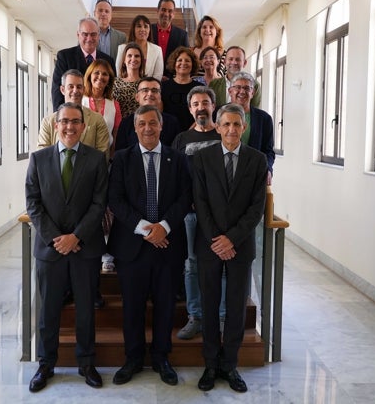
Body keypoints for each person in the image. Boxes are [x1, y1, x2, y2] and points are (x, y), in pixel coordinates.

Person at [25, 102, 108, 392]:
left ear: (83, 126)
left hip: (84, 249)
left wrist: (76, 237)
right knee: (48, 311)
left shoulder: (97, 160)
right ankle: (46, 363)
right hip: (50, 250)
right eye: (65, 122)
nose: (70, 127)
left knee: (85, 309)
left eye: (76, 122)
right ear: (56, 124)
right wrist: (56, 238)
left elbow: (99, 204)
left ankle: (86, 363)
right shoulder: (39, 159)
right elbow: (33, 204)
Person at [108, 104, 192, 387]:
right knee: (132, 305)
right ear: (134, 128)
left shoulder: (177, 159)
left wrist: (163, 227)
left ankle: (161, 357)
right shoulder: (121, 159)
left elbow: (185, 197)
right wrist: (147, 229)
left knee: (166, 304)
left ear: (161, 126)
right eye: (141, 123)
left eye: (152, 123)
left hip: (168, 245)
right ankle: (132, 358)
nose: (147, 128)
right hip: (132, 246)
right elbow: (115, 199)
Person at [192, 103, 268, 394]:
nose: (232, 130)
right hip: (210, 243)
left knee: (236, 308)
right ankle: (211, 364)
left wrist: (231, 239)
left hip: (240, 246)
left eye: (237, 125)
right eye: (226, 124)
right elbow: (200, 201)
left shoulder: (257, 160)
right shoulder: (202, 158)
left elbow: (256, 207)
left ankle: (230, 365)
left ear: (244, 127)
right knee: (210, 307)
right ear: (218, 126)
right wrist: (217, 239)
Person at [171, 86, 225, 340]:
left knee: (220, 264)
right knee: (191, 264)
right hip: (190, 215)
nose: (201, 107)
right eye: (195, 103)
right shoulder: (181, 139)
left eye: (205, 102)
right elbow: (175, 177)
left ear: (213, 106)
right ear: (190, 109)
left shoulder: (224, 135)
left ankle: (222, 317)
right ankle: (196, 316)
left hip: (219, 214)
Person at [38, 69, 110, 160]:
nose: (75, 91)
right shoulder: (48, 122)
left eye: (79, 87)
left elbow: (102, 156)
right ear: (62, 89)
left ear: (83, 89)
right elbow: (42, 157)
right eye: (71, 87)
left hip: (88, 173)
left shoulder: (97, 120)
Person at [51, 18, 115, 110]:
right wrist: (59, 116)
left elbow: (112, 90)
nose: (89, 39)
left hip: (101, 114)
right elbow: (57, 90)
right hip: (72, 114)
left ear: (99, 35)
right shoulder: (65, 56)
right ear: (78, 35)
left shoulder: (108, 60)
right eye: (85, 34)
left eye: (93, 34)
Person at [227, 71, 275, 184]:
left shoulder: (264, 119)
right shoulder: (218, 114)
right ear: (230, 91)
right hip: (224, 174)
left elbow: (268, 151)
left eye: (247, 88)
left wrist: (268, 169)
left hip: (253, 175)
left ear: (252, 92)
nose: (242, 91)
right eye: (237, 87)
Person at [115, 77, 180, 151]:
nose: (150, 94)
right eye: (145, 90)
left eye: (154, 91)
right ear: (137, 97)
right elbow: (120, 154)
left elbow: (176, 154)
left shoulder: (172, 122)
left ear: (160, 96)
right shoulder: (126, 123)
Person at [81, 59, 121, 157]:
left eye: (104, 74)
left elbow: (115, 134)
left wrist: (112, 156)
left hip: (105, 157)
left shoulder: (114, 105)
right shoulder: (80, 101)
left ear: (109, 80)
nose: (100, 77)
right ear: (89, 76)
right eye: (96, 73)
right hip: (80, 156)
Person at [161, 46, 203, 131]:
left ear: (193, 64)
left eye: (187, 61)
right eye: (179, 60)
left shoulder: (200, 88)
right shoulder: (163, 86)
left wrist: (188, 133)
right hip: (167, 132)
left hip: (193, 133)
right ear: (174, 63)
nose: (183, 63)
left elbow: (202, 113)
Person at [115, 15, 164, 80]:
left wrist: (145, 88)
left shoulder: (157, 50)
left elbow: (158, 76)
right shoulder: (122, 48)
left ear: (149, 30)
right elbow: (119, 74)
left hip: (149, 88)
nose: (142, 29)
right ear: (133, 29)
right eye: (139, 26)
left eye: (146, 26)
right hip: (126, 88)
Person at [151, 0, 189, 79]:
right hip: (150, 79)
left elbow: (186, 58)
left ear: (174, 14)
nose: (166, 14)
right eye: (163, 10)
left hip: (173, 80)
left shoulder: (182, 35)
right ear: (157, 11)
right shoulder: (148, 31)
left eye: (170, 11)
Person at [113, 42, 145, 118]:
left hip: (141, 123)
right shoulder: (115, 82)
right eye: (129, 56)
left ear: (141, 60)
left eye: (137, 56)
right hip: (119, 125)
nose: (133, 59)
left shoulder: (146, 83)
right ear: (124, 60)